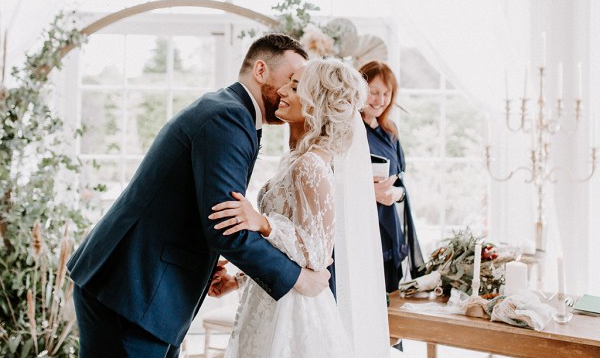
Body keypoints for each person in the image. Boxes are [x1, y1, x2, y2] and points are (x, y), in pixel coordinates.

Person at [66, 34, 334, 358]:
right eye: (291, 79)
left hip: (141, 286)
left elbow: (202, 210)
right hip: (132, 290)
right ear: (261, 70)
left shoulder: (230, 112)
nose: (296, 89)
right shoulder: (229, 118)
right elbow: (223, 224)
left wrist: (207, 264)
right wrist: (297, 280)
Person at [209, 58, 391, 358]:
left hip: (294, 313)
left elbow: (317, 254)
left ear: (315, 103)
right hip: (275, 295)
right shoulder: (296, 159)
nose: (281, 90)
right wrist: (238, 280)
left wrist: (263, 223)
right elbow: (290, 251)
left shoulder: (311, 165)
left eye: (294, 87)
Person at [358, 60, 425, 293]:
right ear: (359, 89)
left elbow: (401, 184)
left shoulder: (390, 132)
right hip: (360, 229)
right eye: (374, 92)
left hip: (389, 229)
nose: (380, 100)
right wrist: (368, 192)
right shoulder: (347, 130)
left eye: (387, 93)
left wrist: (393, 193)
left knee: (390, 300)